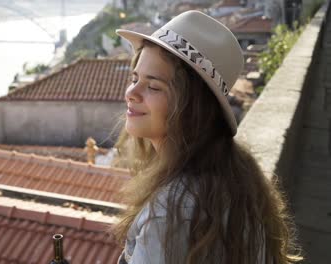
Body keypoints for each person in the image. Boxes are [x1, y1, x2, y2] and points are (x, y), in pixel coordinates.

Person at [111, 11, 303, 264]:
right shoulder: (235, 177)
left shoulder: (169, 214)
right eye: (134, 79)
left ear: (193, 106)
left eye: (154, 86)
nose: (131, 93)